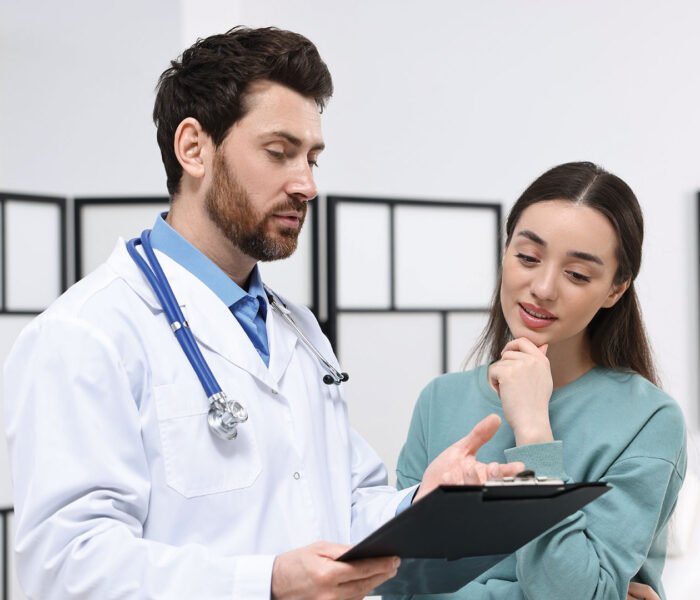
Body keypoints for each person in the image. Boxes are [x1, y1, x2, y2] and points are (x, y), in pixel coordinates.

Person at [3, 26, 525, 600]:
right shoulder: (87, 334)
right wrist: (265, 583)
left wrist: (420, 505)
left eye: (312, 159)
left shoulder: (298, 330)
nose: (307, 185)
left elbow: (343, 509)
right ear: (193, 148)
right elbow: (66, 567)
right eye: (279, 153)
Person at [393, 162, 687, 599]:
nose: (544, 287)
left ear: (615, 288)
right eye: (528, 257)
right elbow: (397, 584)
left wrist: (533, 430)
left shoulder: (650, 421)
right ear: (505, 251)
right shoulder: (439, 400)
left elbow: (571, 593)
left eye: (577, 274)